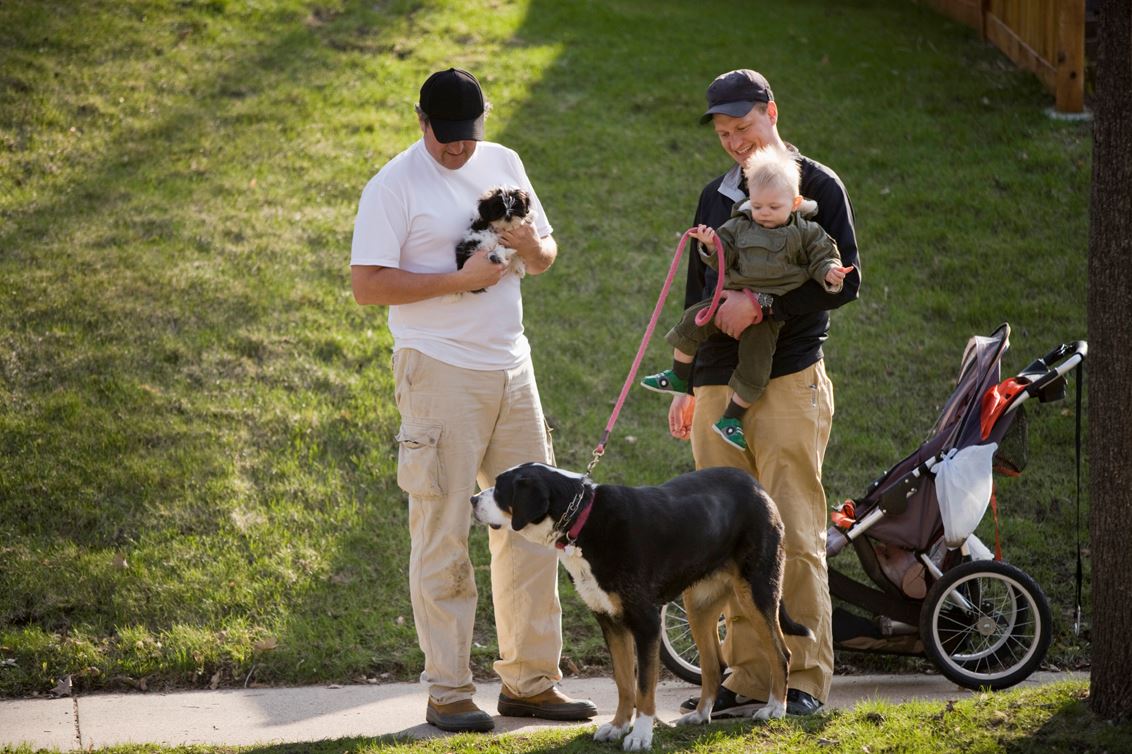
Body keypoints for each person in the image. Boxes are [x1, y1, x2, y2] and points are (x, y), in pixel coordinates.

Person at [349, 67, 596, 734]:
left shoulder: (503, 161)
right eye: (446, 139)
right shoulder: (394, 186)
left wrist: (527, 245)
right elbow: (366, 286)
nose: (459, 150)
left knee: (535, 526)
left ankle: (530, 684)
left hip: (513, 367)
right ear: (422, 123)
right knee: (442, 529)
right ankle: (450, 691)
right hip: (438, 372)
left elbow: (544, 255)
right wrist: (457, 279)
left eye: (468, 137)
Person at [668, 69, 861, 717]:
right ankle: (748, 678)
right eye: (723, 132)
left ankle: (802, 679)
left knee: (794, 528)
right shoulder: (712, 196)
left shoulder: (818, 187)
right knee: (721, 538)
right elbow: (696, 295)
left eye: (743, 127)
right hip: (716, 385)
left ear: (772, 112)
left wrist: (763, 302)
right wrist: (688, 381)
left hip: (787, 380)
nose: (734, 142)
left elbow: (845, 282)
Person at [641, 145, 852, 451]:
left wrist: (830, 270)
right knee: (693, 320)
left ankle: (732, 418)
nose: (764, 213)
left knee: (756, 363)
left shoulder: (807, 233)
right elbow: (720, 259)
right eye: (757, 205)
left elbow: (822, 258)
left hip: (768, 311)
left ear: (795, 203)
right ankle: (678, 374)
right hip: (728, 298)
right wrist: (711, 245)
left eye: (774, 207)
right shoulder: (739, 225)